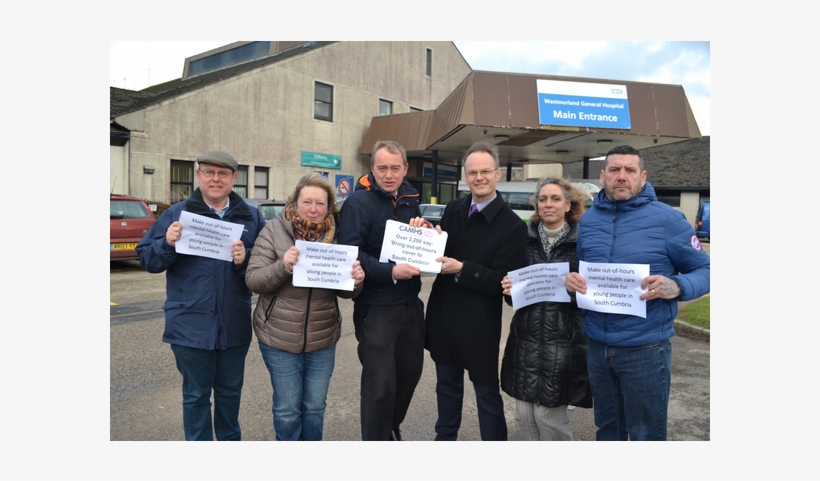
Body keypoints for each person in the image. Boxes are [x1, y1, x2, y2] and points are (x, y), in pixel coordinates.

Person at [564, 144, 710, 441]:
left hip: (645, 350)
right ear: (603, 176)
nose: (622, 176)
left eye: (629, 170)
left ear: (642, 177)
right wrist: (573, 283)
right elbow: (582, 271)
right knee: (608, 431)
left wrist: (677, 286)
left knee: (646, 435)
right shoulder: (589, 221)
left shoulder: (668, 220)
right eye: (615, 170)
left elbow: (706, 271)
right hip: (598, 347)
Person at [136, 150, 266, 441]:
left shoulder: (252, 216)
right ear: (199, 176)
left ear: (234, 179)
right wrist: (167, 244)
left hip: (234, 325)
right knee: (195, 396)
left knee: (230, 394)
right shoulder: (177, 214)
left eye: (223, 174)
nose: (215, 179)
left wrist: (245, 259)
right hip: (189, 325)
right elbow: (147, 260)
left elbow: (266, 267)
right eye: (209, 172)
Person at [245, 173, 365, 441]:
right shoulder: (275, 231)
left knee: (314, 408)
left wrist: (356, 281)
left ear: (329, 207)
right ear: (295, 203)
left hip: (322, 338)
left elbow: (345, 292)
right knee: (287, 411)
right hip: (279, 336)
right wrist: (283, 266)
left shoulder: (337, 236)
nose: (313, 209)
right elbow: (253, 280)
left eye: (320, 204)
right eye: (307, 202)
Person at [424, 141, 527, 441]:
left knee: (486, 394)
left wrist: (463, 269)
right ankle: (445, 441)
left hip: (478, 323)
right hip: (443, 316)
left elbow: (503, 282)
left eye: (485, 171)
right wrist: (428, 238)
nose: (478, 177)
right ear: (465, 177)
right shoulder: (454, 208)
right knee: (446, 387)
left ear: (497, 175)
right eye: (472, 172)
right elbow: (439, 253)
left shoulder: (512, 226)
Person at [337, 140, 429, 441]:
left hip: (410, 304)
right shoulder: (357, 203)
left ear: (404, 168)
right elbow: (351, 252)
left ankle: (390, 426)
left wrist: (427, 234)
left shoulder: (410, 199)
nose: (388, 174)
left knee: (410, 374)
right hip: (376, 306)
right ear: (372, 169)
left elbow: (415, 245)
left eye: (394, 168)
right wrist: (389, 271)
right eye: (381, 168)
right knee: (380, 385)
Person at [499, 177, 593, 441]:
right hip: (525, 341)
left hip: (563, 343)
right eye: (542, 199)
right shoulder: (522, 240)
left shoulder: (583, 243)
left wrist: (577, 290)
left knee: (549, 418)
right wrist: (507, 289)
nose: (548, 204)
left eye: (555, 199)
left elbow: (595, 295)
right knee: (524, 417)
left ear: (568, 205)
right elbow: (512, 298)